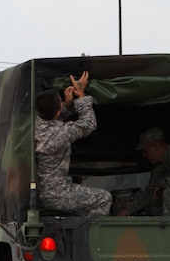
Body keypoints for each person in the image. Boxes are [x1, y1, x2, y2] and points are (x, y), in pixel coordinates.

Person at [34, 71, 112, 217]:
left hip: (44, 193)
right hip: (58, 195)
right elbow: (88, 124)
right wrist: (81, 94)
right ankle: (89, 236)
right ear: (57, 110)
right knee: (103, 198)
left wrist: (67, 105)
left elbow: (52, 123)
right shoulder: (61, 133)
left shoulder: (36, 126)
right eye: (60, 101)